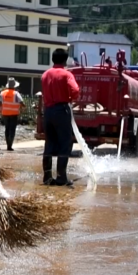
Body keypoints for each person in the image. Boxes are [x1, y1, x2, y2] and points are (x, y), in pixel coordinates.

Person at [41, 48, 80, 186]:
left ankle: (47, 177)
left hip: (48, 111)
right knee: (65, 143)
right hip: (62, 110)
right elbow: (75, 90)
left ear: (52, 59)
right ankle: (61, 177)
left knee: (49, 143)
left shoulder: (45, 75)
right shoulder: (66, 74)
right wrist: (71, 98)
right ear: (65, 60)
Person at [0, 78, 24, 151]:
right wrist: (23, 108)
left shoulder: (2, 93)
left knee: (7, 129)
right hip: (14, 114)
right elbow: (21, 102)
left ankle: (7, 145)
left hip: (5, 114)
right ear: (14, 86)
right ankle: (9, 146)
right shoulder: (16, 93)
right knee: (12, 130)